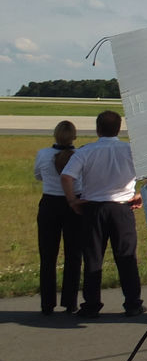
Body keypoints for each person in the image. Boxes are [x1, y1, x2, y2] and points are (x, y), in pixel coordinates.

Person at [60, 110, 145, 318]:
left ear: (98, 128)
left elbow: (67, 176)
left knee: (93, 257)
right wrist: (139, 194)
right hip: (122, 208)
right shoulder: (130, 150)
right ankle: (133, 303)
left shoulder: (86, 151)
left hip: (94, 208)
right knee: (126, 257)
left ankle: (91, 304)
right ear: (119, 128)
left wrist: (72, 200)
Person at [33, 120, 82, 315]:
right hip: (74, 204)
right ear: (74, 137)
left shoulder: (43, 154)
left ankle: (47, 303)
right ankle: (70, 302)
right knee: (73, 255)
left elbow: (38, 176)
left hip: (49, 204)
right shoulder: (80, 155)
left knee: (47, 256)